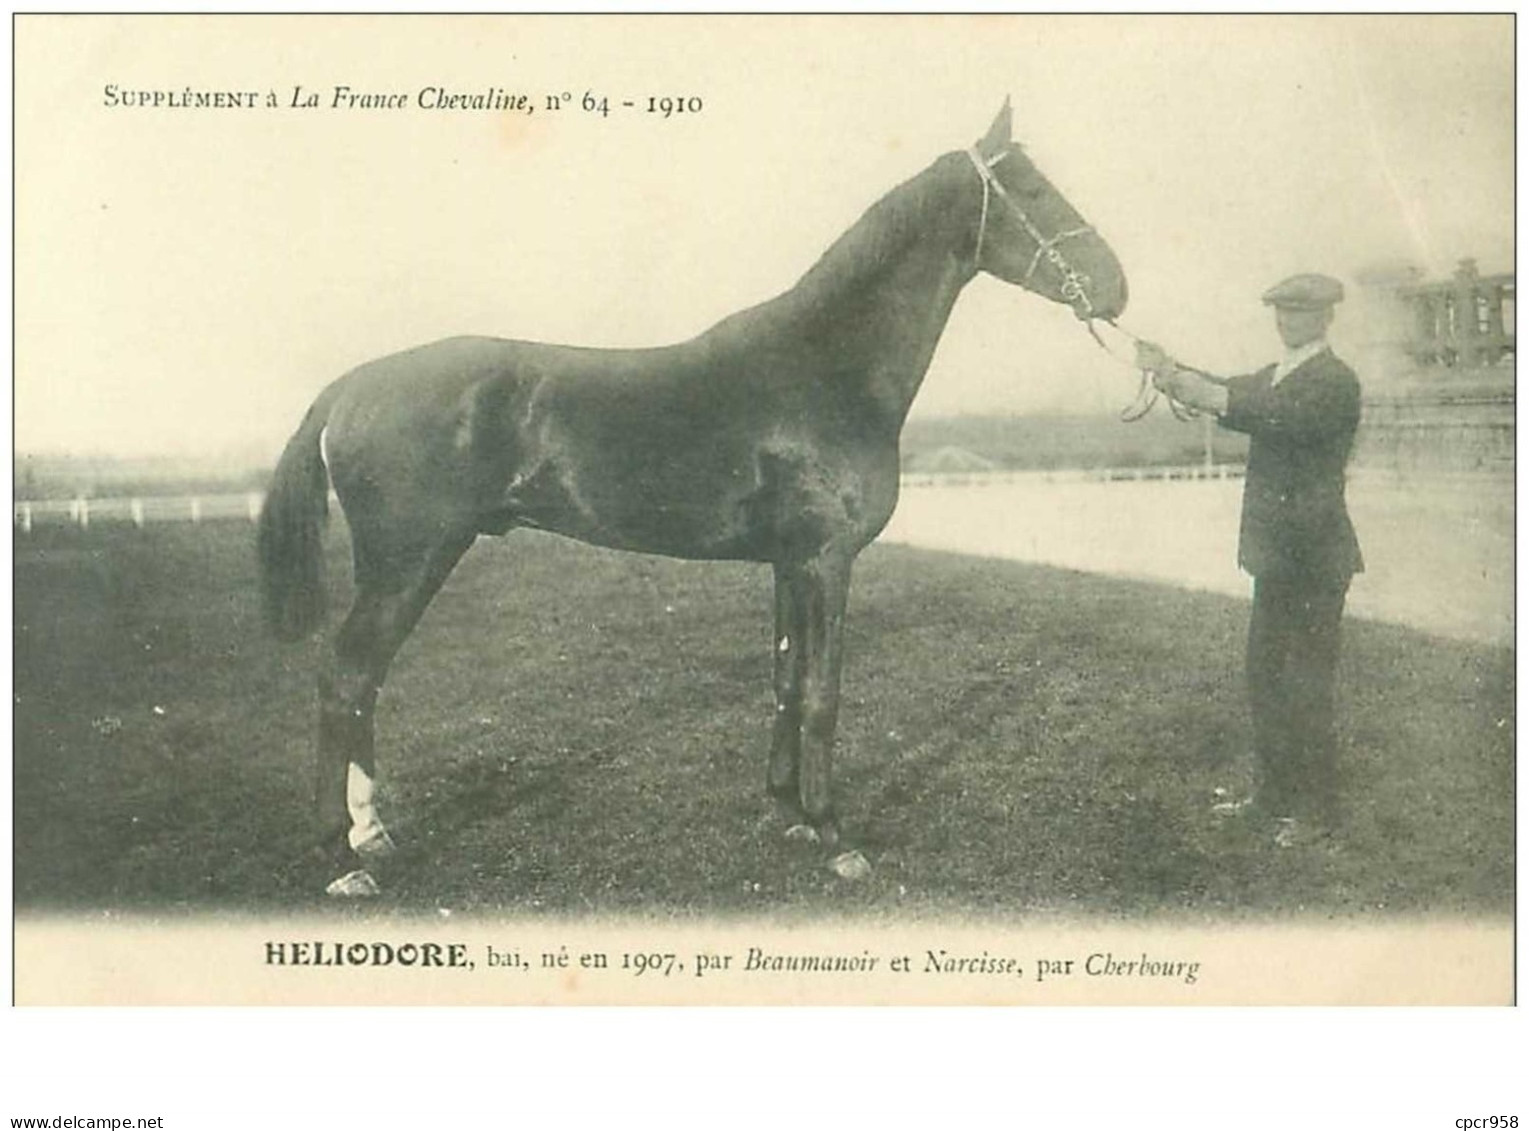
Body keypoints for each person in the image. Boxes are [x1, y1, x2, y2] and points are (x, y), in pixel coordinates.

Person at [1137, 273, 1363, 848]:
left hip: (1315, 558)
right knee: (1266, 678)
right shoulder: (1277, 375)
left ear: (1325, 318)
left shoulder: (1334, 381)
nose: (1289, 322)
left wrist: (1192, 386)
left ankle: (1316, 812)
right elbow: (1231, 390)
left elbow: (1262, 411)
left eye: (1301, 313)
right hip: (1277, 557)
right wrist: (1168, 368)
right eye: (1282, 313)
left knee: (1306, 684)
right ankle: (1274, 799)